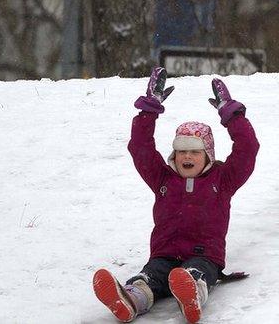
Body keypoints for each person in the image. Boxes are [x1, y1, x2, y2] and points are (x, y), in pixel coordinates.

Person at [92, 69, 258, 323]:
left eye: (194, 152)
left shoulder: (222, 180)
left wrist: (232, 115)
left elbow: (247, 149)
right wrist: (149, 109)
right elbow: (140, 148)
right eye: (181, 152)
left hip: (205, 256)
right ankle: (130, 300)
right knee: (150, 277)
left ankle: (191, 295)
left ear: (208, 156)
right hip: (164, 254)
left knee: (196, 273)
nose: (187, 157)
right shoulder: (163, 179)